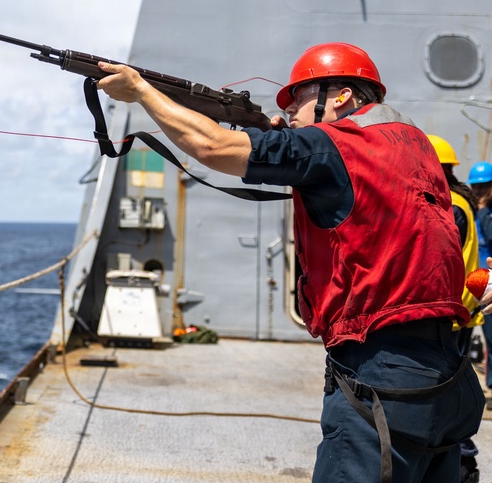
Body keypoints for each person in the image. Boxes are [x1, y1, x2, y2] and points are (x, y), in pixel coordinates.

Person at [97, 42, 483, 483]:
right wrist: (292, 139)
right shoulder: (416, 148)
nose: (292, 110)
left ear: (339, 97)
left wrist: (141, 91)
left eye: (299, 98)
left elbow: (210, 146)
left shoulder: (336, 146)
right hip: (447, 377)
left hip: (382, 374)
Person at [427, 135, 483, 483]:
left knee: (444, 396)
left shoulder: (451, 206)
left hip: (450, 316)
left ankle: (461, 466)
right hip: (458, 311)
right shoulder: (460, 200)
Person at [469, 161, 492, 392]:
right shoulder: (468, 210)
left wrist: (485, 209)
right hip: (473, 282)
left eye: (484, 186)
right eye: (476, 186)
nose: (479, 191)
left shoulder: (486, 213)